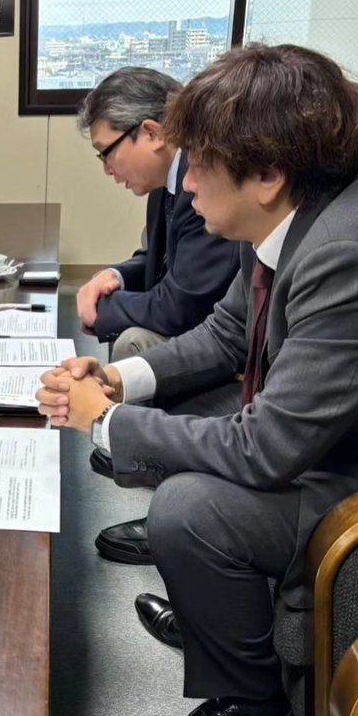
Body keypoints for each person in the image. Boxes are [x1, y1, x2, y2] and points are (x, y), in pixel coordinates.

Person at [37, 43, 358, 716]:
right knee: (184, 467)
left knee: (189, 508)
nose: (185, 183)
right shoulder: (290, 217)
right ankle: (226, 628)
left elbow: (267, 449)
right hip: (346, 441)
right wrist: (119, 381)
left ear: (267, 174)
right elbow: (228, 334)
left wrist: (102, 421)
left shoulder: (352, 252)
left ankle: (255, 710)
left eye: (199, 165)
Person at [76, 68, 240, 567]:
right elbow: (160, 263)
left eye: (106, 152)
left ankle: (163, 482)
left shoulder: (210, 186)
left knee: (133, 340)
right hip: (226, 336)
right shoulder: (177, 181)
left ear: (150, 132)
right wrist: (114, 276)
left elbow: (181, 306)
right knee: (126, 357)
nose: (106, 169)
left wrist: (103, 317)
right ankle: (136, 444)